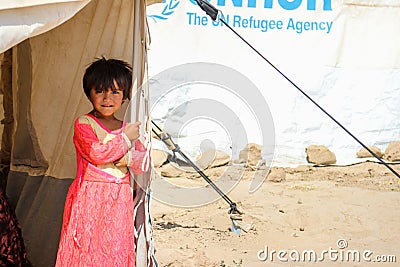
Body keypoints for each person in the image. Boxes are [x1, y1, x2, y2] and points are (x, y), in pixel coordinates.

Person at [55, 57, 149, 266]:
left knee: (114, 249)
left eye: (115, 92)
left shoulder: (128, 127)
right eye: (100, 91)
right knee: (87, 249)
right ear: (89, 93)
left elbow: (143, 164)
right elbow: (96, 153)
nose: (108, 98)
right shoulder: (84, 123)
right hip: (89, 197)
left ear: (125, 96)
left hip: (119, 198)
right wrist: (124, 141)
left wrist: (128, 157)